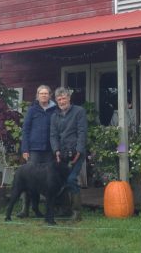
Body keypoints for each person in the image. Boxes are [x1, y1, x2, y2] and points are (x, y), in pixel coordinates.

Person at [17, 84, 56, 218]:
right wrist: (25, 149)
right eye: (41, 93)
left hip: (49, 150)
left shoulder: (55, 110)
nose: (44, 95)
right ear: (37, 96)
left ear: (50, 95)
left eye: (46, 93)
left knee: (48, 181)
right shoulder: (32, 110)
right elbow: (26, 130)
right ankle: (25, 209)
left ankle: (47, 209)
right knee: (30, 179)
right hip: (34, 150)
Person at [50, 86, 88, 221]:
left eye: (64, 98)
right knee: (61, 180)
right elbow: (53, 135)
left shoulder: (79, 111)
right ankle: (65, 209)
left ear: (69, 98)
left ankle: (77, 212)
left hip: (77, 152)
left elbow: (82, 132)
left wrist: (79, 150)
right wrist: (56, 151)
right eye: (59, 99)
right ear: (56, 100)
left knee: (71, 179)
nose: (61, 101)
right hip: (62, 153)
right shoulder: (55, 116)